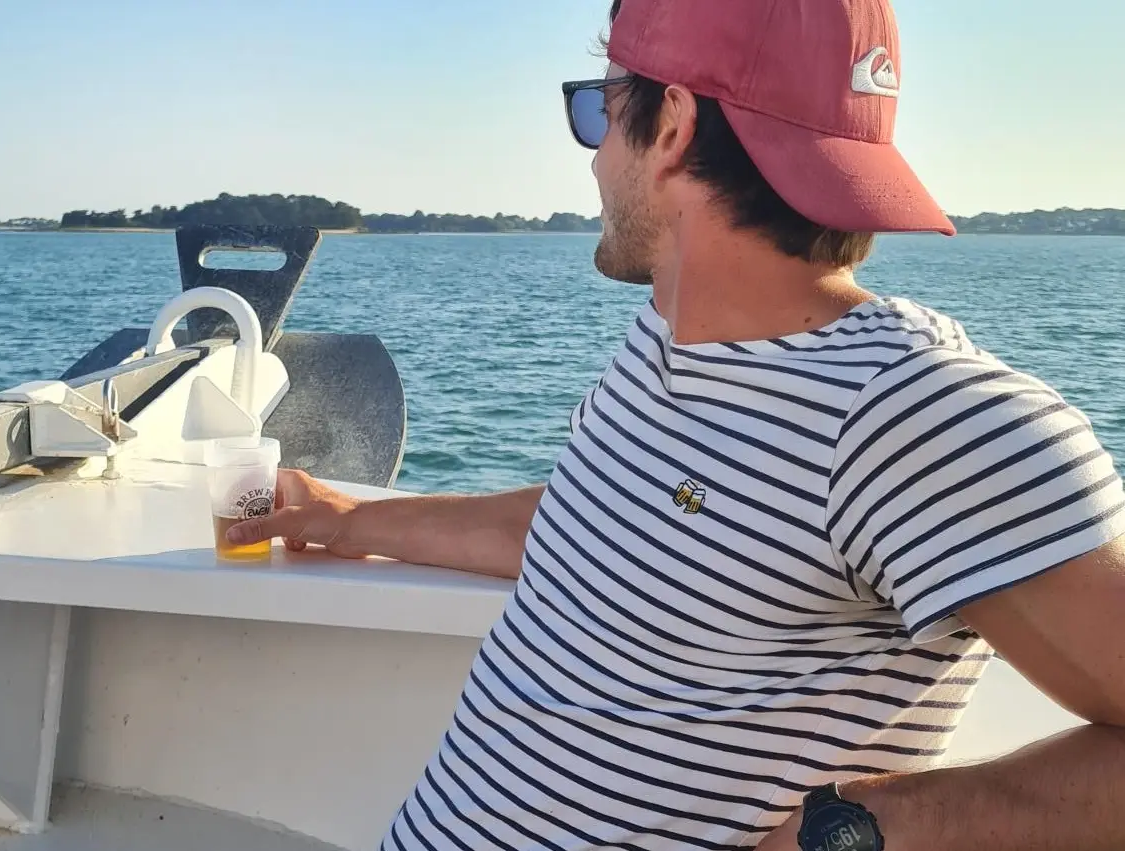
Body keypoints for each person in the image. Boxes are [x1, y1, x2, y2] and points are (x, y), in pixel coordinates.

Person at [226, 0, 1125, 848]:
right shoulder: (670, 336)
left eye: (600, 109)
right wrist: (353, 520)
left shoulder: (914, 413)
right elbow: (602, 519)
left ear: (671, 127)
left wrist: (861, 829)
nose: (591, 160)